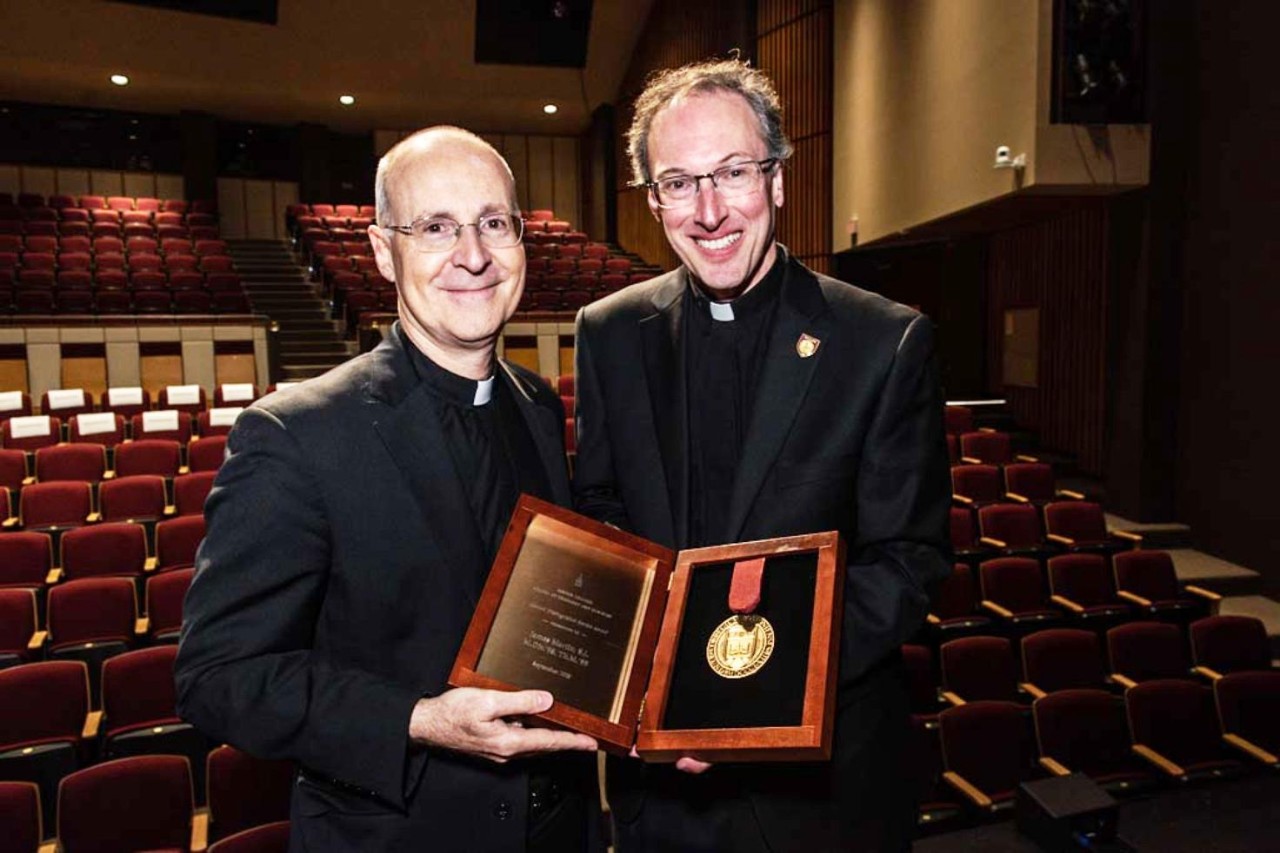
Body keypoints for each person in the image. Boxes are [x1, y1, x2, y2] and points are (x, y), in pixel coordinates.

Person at [175, 127, 604, 853]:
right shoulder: (295, 434)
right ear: (382, 252)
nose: (473, 255)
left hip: (560, 830)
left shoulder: (537, 405)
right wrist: (419, 717)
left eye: (494, 223)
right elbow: (218, 677)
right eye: (436, 227)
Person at [573, 59, 951, 851]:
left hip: (822, 791)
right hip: (660, 791)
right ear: (653, 201)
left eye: (734, 173)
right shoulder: (607, 332)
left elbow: (906, 561)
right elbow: (603, 513)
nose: (709, 210)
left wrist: (742, 697)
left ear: (777, 180)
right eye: (679, 182)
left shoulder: (882, 339)